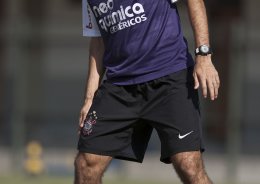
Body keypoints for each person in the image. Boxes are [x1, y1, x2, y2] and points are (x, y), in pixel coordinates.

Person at [75, 0, 220, 183]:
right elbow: (98, 40)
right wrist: (89, 99)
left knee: (188, 164)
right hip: (119, 86)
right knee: (86, 164)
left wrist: (203, 55)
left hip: (170, 78)